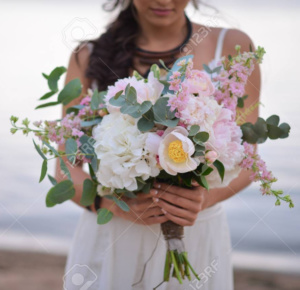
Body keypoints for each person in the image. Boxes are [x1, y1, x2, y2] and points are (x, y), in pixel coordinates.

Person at [57, 1, 261, 289]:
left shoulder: (232, 47)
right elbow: (64, 168)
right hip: (115, 235)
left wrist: (203, 199)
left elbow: (249, 161)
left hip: (197, 228)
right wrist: (113, 206)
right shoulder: (87, 56)